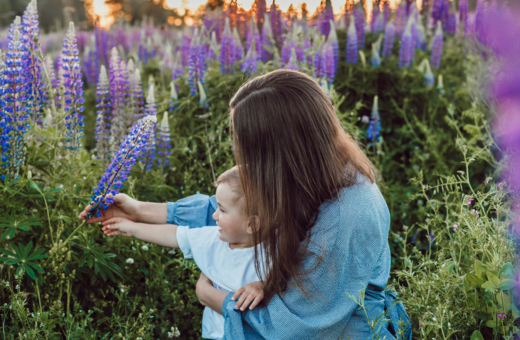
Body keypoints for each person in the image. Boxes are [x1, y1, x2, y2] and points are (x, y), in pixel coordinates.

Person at [80, 69, 412, 339]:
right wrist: (139, 210)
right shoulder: (316, 176)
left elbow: (296, 330)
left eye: (247, 147)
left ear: (281, 151)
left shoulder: (347, 214)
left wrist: (214, 299)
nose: (240, 154)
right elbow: (240, 211)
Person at [88, 167, 266, 339]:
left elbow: (286, 280)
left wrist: (263, 285)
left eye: (222, 210)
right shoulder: (213, 239)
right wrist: (132, 227)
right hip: (217, 334)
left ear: (252, 224)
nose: (214, 216)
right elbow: (174, 234)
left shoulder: (274, 250)